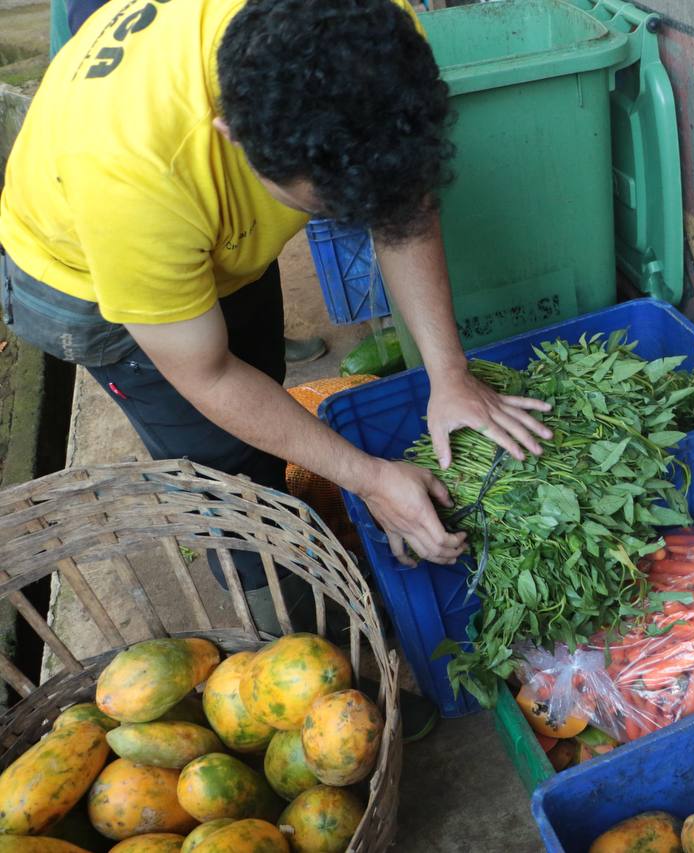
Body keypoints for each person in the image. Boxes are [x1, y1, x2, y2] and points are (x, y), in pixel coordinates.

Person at [0, 0, 553, 629]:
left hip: (200, 230)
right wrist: (370, 479)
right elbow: (207, 375)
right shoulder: (133, 179)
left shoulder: (367, 35)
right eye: (327, 206)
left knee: (259, 378)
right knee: (229, 472)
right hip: (80, 278)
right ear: (234, 137)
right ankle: (298, 620)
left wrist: (449, 374)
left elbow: (402, 202)